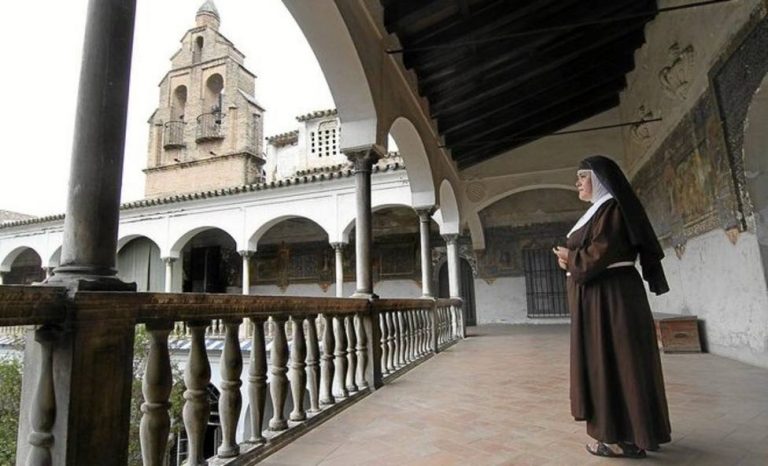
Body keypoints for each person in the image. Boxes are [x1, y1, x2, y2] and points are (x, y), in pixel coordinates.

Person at [553, 155, 671, 458]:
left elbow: (602, 252)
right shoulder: (599, 211)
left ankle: (621, 439)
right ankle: (629, 433)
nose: (577, 183)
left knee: (616, 362)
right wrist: (571, 261)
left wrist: (571, 258)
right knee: (612, 362)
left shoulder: (613, 209)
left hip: (611, 299)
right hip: (601, 298)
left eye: (582, 176)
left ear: (600, 179)